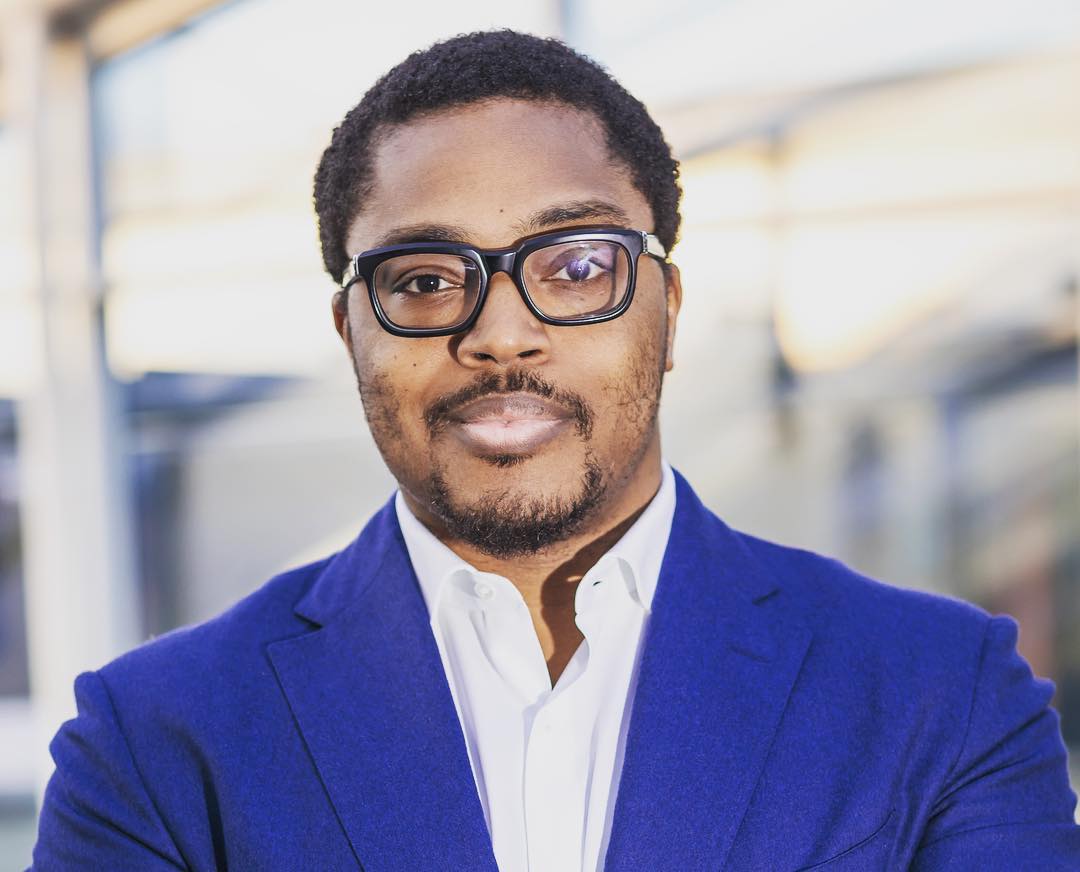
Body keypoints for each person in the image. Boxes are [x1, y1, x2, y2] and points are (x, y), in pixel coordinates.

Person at [31, 29, 1080, 872]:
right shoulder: (157, 742)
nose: (501, 333)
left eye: (575, 266)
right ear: (350, 332)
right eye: (425, 280)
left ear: (666, 308)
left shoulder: (942, 692)